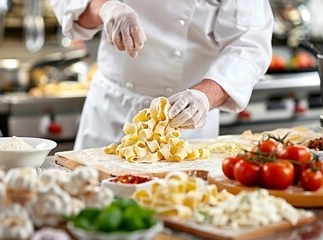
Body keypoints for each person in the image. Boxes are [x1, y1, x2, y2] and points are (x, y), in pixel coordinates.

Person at [50, 0, 274, 150]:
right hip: (110, 111)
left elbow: (249, 45)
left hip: (184, 122)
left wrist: (203, 98)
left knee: (176, 211)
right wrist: (106, 8)